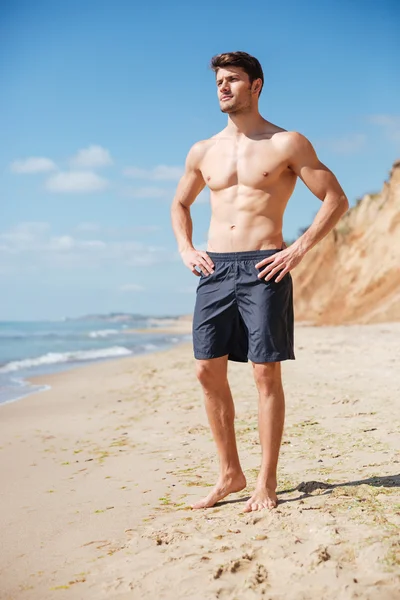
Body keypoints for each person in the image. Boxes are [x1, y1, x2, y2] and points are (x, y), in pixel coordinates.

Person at [170, 51, 348, 512]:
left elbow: (335, 198)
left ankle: (265, 482)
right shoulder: (202, 150)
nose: (223, 88)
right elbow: (180, 204)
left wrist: (298, 248)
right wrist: (187, 249)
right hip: (214, 269)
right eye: (218, 82)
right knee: (206, 370)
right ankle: (230, 473)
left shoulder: (286, 143)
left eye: (232, 80)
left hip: (263, 266)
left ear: (257, 85)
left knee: (264, 374)